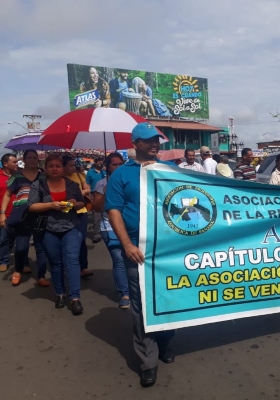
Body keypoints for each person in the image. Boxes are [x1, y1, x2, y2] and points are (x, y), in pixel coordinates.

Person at [105, 122, 176, 388]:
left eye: (156, 139)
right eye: (148, 140)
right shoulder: (122, 175)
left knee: (171, 299)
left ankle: (167, 341)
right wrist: (126, 244)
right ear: (135, 144)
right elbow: (113, 210)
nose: (155, 144)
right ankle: (148, 360)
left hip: (170, 251)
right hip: (139, 251)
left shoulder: (169, 170)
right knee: (142, 306)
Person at [28, 154, 85, 315]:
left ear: (63, 168)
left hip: (71, 227)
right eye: (51, 166)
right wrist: (50, 205)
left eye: (58, 166)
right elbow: (31, 206)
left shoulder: (72, 184)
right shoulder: (38, 185)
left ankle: (75, 298)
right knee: (55, 263)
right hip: (48, 229)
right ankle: (60, 293)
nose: (55, 168)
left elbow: (82, 202)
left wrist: (75, 203)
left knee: (72, 261)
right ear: (45, 168)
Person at [0, 150, 48, 287]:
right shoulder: (17, 175)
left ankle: (41, 275)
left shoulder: (43, 176)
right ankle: (18, 271)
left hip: (40, 214)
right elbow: (8, 194)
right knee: (21, 247)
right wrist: (2, 213)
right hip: (22, 215)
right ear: (24, 160)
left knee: (40, 247)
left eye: (35, 158)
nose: (32, 160)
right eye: (30, 158)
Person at [92, 153, 129, 309]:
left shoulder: (129, 181)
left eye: (121, 164)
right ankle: (124, 293)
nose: (118, 167)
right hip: (110, 228)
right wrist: (107, 191)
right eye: (114, 164)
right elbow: (97, 208)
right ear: (107, 167)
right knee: (119, 259)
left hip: (130, 227)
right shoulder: (101, 184)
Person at [63, 156, 93, 278]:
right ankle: (69, 267)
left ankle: (84, 267)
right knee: (66, 242)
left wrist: (80, 193)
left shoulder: (80, 176)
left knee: (81, 240)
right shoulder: (59, 179)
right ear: (63, 167)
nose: (73, 168)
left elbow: (88, 189)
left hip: (81, 211)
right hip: (65, 213)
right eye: (70, 165)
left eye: (73, 165)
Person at [0, 153, 18, 273]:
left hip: (18, 213)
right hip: (3, 214)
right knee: (3, 238)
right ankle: (3, 261)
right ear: (6, 164)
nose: (17, 164)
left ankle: (22, 263)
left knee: (18, 239)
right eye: (14, 162)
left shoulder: (19, 176)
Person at [85, 157, 106, 243]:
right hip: (94, 195)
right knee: (97, 216)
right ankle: (97, 234)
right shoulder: (90, 172)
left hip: (105, 195)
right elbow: (88, 184)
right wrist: (89, 197)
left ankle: (105, 231)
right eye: (99, 161)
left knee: (106, 215)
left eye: (102, 160)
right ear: (95, 162)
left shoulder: (105, 172)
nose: (100, 162)